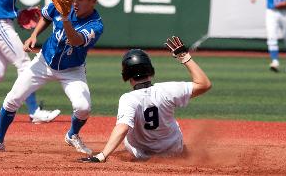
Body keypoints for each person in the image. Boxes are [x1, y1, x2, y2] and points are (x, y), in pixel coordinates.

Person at [0, 0, 104, 154]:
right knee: (13, 98)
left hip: (72, 70)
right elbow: (46, 16)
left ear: (93, 1)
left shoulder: (95, 25)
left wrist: (65, 18)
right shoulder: (62, 4)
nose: (75, 1)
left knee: (83, 107)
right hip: (44, 61)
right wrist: (34, 35)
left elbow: (75, 40)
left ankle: (72, 135)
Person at [80, 36, 212, 162]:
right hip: (173, 150)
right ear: (150, 70)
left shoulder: (128, 99)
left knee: (127, 129)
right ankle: (181, 152)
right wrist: (185, 57)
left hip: (142, 155)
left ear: (126, 75)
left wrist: (102, 155)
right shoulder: (167, 90)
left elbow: (123, 128)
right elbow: (204, 84)